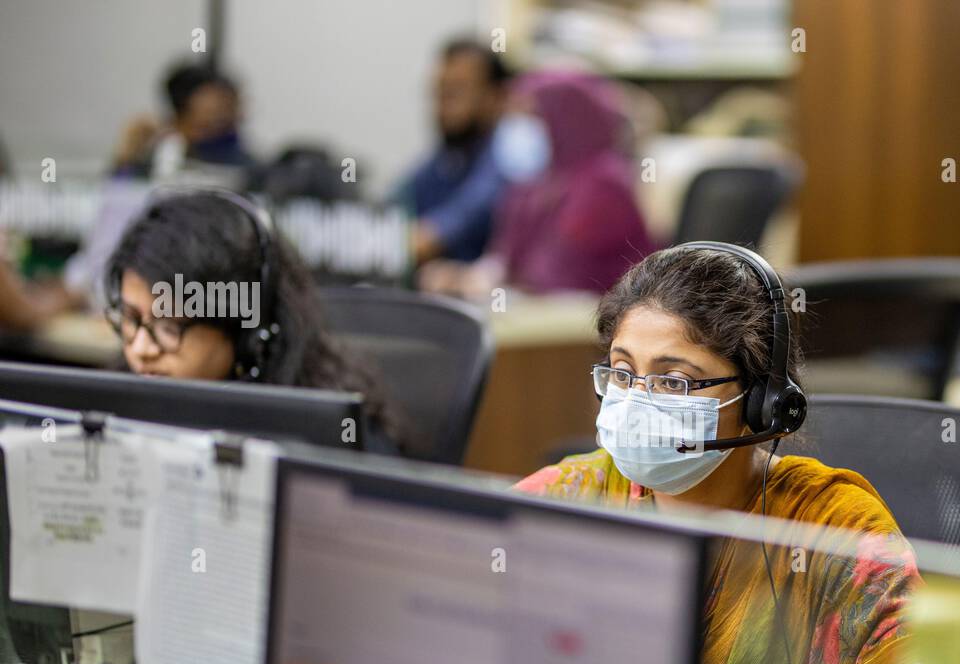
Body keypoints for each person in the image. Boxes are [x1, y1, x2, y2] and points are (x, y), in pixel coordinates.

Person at [515, 245, 960, 664]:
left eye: (673, 381)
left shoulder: (837, 527)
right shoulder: (573, 493)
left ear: (760, 402)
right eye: (624, 374)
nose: (639, 402)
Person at [103, 190, 402, 449]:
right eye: (131, 319)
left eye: (168, 326)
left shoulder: (331, 435)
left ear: (247, 333)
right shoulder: (116, 407)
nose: (141, 348)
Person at [419, 70, 655, 298]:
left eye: (530, 116)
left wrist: (480, 287)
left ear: (564, 119)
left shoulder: (602, 188)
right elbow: (505, 261)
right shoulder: (532, 186)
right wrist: (465, 277)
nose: (517, 129)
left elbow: (553, 281)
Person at [396, 39, 510, 264]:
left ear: (496, 97)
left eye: (455, 93)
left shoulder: (510, 157)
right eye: (439, 92)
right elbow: (395, 203)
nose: (441, 106)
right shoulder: (447, 158)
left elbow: (442, 231)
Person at [111, 63, 256, 179]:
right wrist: (128, 157)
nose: (236, 117)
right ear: (180, 115)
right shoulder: (156, 153)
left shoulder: (239, 163)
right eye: (213, 113)